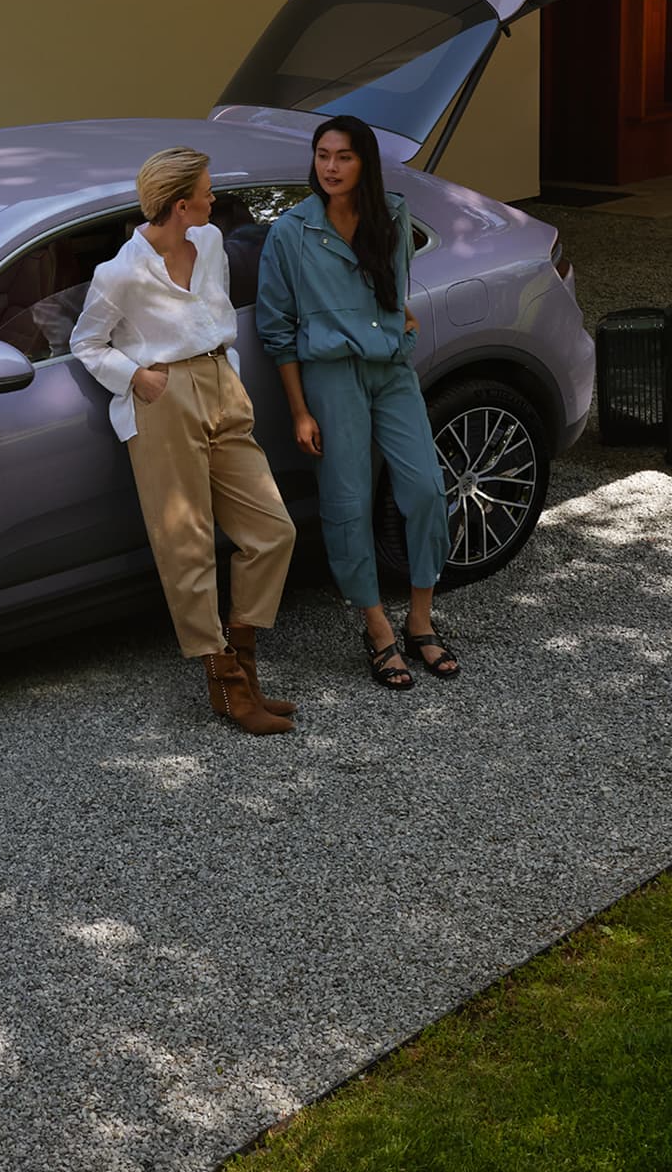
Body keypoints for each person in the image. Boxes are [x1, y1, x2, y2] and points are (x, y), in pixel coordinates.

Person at [71, 147, 298, 735]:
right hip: (164, 398)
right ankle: (225, 680)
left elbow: (214, 309)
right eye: (206, 190)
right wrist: (138, 378)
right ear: (180, 204)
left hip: (221, 383)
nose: (214, 197)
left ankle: (244, 659)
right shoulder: (118, 273)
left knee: (273, 531)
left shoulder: (213, 243)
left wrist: (229, 375)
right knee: (187, 544)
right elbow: (86, 342)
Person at [255, 114, 459, 691]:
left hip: (391, 371)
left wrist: (404, 334)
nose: (330, 168)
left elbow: (399, 294)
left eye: (343, 157)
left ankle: (420, 617)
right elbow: (278, 329)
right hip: (330, 377)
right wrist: (299, 409)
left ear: (363, 162)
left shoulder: (391, 215)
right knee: (347, 500)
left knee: (423, 488)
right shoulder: (291, 232)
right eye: (322, 155)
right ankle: (376, 628)